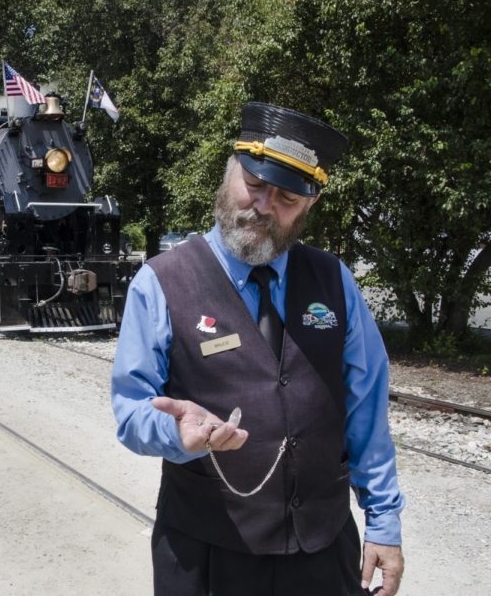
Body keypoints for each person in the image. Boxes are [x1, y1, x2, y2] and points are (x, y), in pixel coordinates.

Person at [111, 102, 405, 596]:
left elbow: (366, 409)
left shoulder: (334, 280)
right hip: (207, 553)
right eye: (254, 184)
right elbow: (130, 410)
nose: (264, 205)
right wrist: (174, 432)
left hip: (322, 549)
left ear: (309, 205)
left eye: (287, 197)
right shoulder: (161, 283)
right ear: (230, 173)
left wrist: (383, 521)